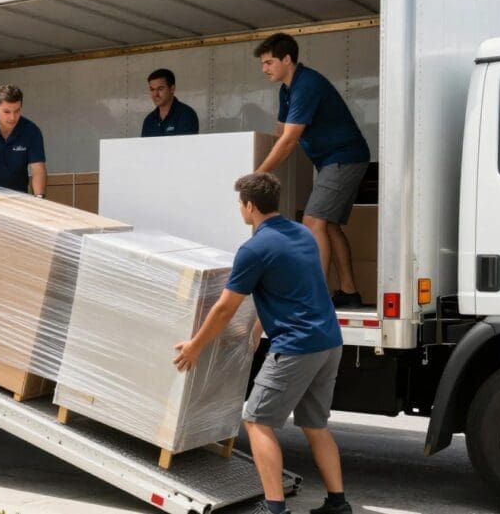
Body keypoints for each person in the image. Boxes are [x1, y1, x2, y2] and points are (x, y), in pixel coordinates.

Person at [173, 173, 350, 514]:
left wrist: (195, 345)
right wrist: (257, 324)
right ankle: (338, 504)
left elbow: (225, 307)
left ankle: (274, 509)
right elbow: (290, 284)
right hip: (329, 341)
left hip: (297, 346)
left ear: (250, 206)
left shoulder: (254, 248)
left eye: (240, 203)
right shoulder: (302, 233)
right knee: (316, 425)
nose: (240, 209)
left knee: (256, 420)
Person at [253, 33, 371, 308]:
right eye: (262, 64)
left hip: (344, 157)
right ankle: (349, 292)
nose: (264, 69)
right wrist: (260, 158)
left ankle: (313, 297)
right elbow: (279, 132)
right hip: (336, 159)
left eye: (269, 62)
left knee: (312, 222)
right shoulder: (287, 89)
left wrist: (258, 173)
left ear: (287, 59)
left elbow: (290, 139)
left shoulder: (307, 85)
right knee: (328, 224)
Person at [141, 68, 199, 137]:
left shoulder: (186, 115)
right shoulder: (149, 120)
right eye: (152, 89)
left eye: (160, 89)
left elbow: (185, 146)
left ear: (172, 89)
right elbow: (145, 147)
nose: (155, 94)